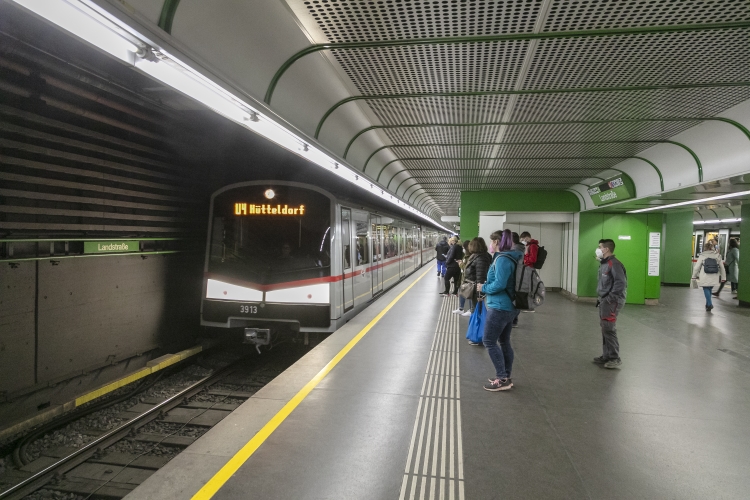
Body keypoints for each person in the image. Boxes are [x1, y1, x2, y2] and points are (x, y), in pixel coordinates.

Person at [478, 229, 523, 391]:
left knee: (489, 341)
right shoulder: (509, 257)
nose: (490, 245)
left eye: (492, 241)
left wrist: (483, 287)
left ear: (497, 242)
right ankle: (506, 376)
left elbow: (500, 284)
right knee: (504, 341)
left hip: (500, 307)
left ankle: (502, 378)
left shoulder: (503, 259)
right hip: (508, 306)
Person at [593, 239, 628, 369]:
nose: (598, 249)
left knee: (608, 327)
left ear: (606, 249)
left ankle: (614, 357)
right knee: (605, 327)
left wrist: (609, 298)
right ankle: (606, 355)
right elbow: (604, 283)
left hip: (612, 301)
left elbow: (620, 284)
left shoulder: (615, 264)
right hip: (604, 299)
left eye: (600, 247)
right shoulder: (604, 264)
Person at [455, 237, 492, 317]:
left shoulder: (480, 258)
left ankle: (476, 328)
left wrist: (480, 295)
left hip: (476, 289)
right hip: (474, 287)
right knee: (474, 311)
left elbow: (480, 277)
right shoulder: (477, 256)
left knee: (476, 312)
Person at [693, 240, 726, 311]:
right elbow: (722, 267)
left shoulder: (702, 255)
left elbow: (696, 267)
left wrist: (694, 276)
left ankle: (710, 304)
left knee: (705, 288)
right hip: (715, 275)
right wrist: (723, 277)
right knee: (710, 288)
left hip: (704, 275)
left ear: (705, 248)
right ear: (712, 248)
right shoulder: (717, 255)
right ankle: (707, 305)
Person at [453, 240, 473, 314]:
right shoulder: (466, 256)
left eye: (463, 248)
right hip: (464, 277)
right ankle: (461, 308)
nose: (463, 249)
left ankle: (470, 310)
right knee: (461, 292)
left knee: (469, 293)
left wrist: (461, 264)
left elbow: (467, 268)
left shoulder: (470, 257)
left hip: (468, 278)